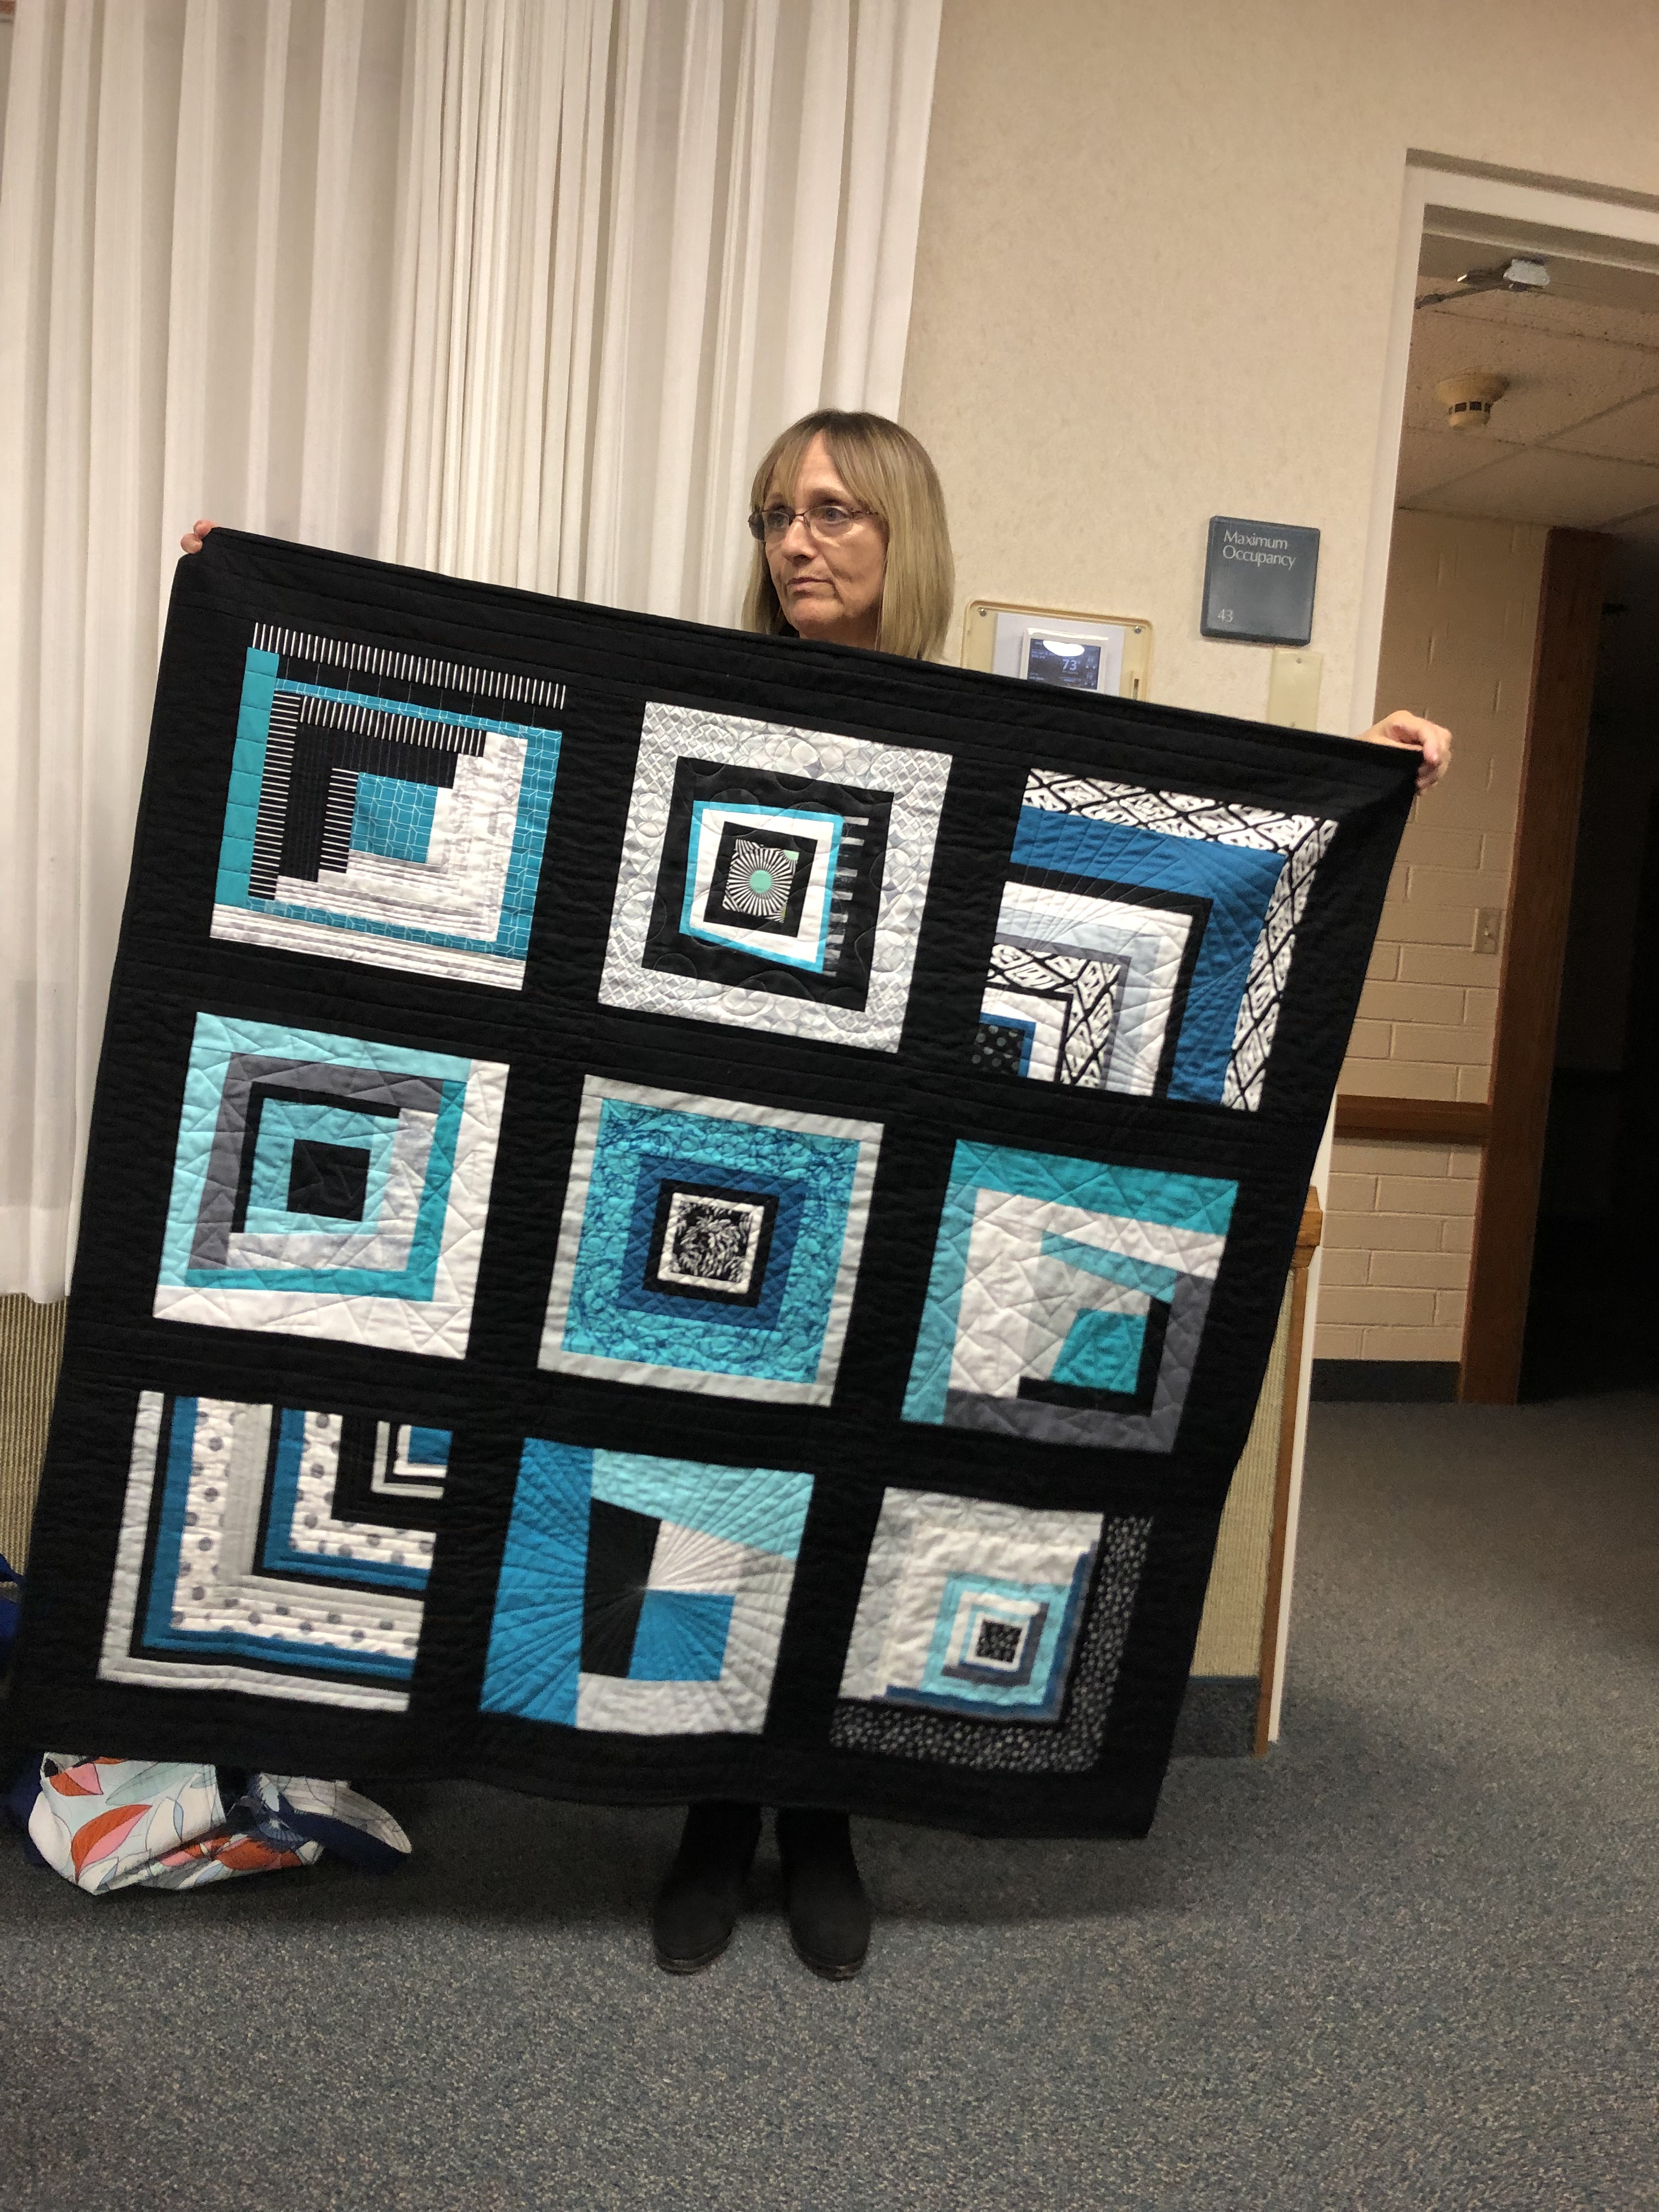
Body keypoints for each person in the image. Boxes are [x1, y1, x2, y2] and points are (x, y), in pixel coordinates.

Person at [178, 414, 1451, 1982]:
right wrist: (250, 607)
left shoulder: (989, 742)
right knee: (702, 1485)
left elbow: (1184, 857)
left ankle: (822, 1819)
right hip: (706, 1192)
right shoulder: (705, 707)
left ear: (904, 532)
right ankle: (715, 1814)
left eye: (836, 512)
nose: (798, 541)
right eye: (778, 513)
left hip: (886, 1226)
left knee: (866, 1511)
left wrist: (1367, 775)